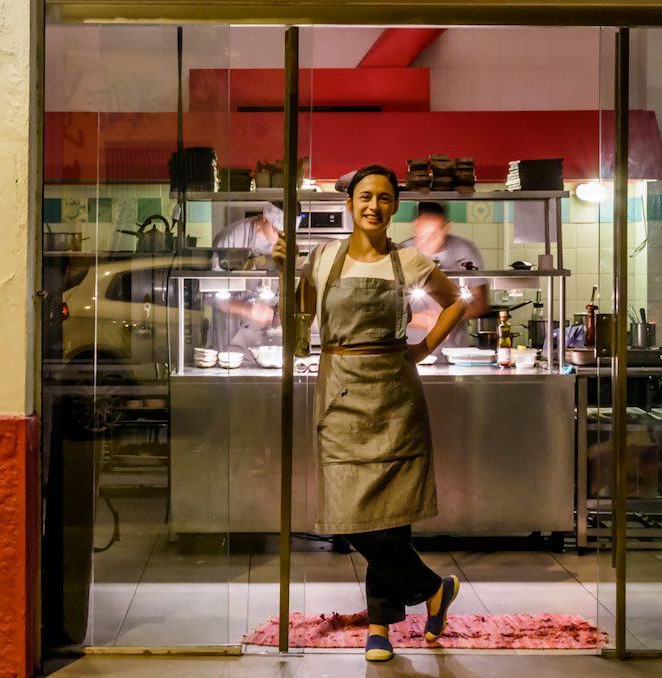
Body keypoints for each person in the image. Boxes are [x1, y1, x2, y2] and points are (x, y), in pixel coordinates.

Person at [273, 165, 464, 663]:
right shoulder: (323, 258)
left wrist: (421, 350)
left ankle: (379, 627)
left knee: (392, 519)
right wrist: (283, 273)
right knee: (353, 519)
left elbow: (455, 303)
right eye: (364, 196)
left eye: (383, 197)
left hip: (396, 398)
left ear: (395, 205)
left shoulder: (410, 260)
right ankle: (433, 590)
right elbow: (296, 335)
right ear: (349, 203)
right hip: (340, 396)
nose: (373, 205)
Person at [400, 202, 489, 356]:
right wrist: (417, 319)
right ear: (415, 225)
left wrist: (447, 317)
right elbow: (385, 308)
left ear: (446, 227)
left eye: (435, 234)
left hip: (454, 353)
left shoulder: (464, 251)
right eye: (424, 234)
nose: (429, 240)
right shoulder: (402, 253)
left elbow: (481, 303)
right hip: (409, 352)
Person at [208, 204, 285, 364]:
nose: (280, 237)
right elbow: (208, 296)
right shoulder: (231, 239)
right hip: (229, 341)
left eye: (286, 234)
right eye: (276, 230)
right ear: (265, 217)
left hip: (264, 348)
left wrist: (280, 315)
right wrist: (247, 309)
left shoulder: (285, 245)